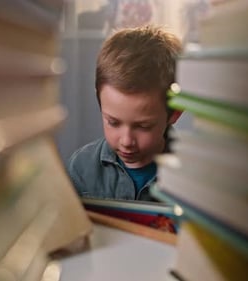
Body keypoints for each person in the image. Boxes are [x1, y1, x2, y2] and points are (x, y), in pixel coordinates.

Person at [67, 25, 182, 201]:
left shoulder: (192, 177)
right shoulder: (80, 168)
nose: (126, 141)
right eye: (113, 122)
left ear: (174, 113)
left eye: (143, 126)